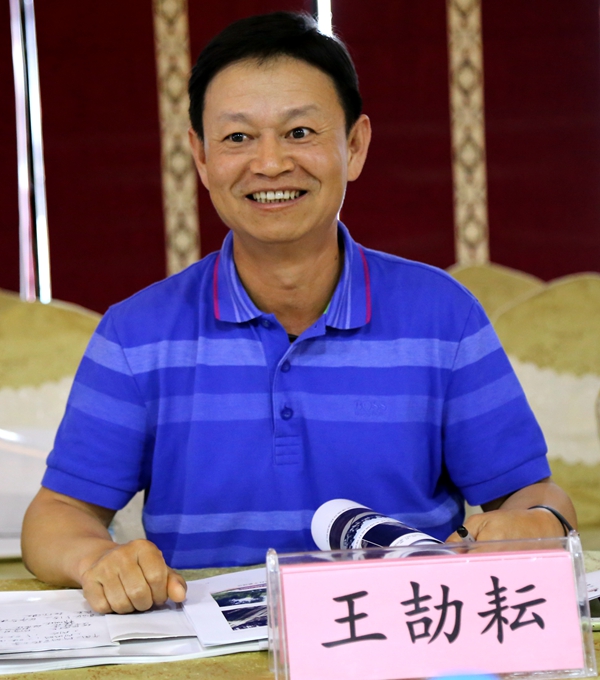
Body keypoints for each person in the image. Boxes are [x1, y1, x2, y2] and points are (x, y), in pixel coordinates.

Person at [22, 11, 576, 615]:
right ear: (200, 157)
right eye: (237, 138)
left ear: (354, 146)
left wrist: (537, 522)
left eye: (300, 132)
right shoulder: (135, 334)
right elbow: (59, 513)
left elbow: (533, 497)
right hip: (202, 643)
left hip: (402, 635)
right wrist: (97, 560)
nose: (270, 164)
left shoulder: (446, 318)